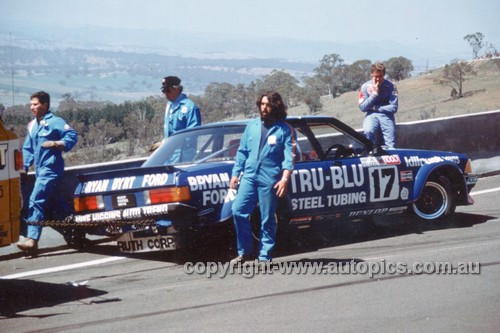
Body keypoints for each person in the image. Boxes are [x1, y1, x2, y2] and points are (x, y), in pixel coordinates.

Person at [229, 91, 295, 263]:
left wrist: (284, 179)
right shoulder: (252, 125)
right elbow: (242, 151)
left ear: (275, 106)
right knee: (238, 211)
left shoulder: (284, 130)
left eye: (268, 105)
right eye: (262, 104)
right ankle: (245, 252)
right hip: (249, 176)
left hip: (270, 178)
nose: (264, 108)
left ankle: (264, 256)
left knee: (267, 217)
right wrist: (236, 173)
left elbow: (289, 158)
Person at [16, 91, 78, 256]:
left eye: (35, 104)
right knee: (54, 204)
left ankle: (32, 239)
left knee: (35, 200)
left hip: (51, 170)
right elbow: (28, 148)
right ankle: (74, 231)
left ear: (45, 105)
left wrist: (58, 143)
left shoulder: (55, 122)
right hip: (39, 171)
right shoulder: (32, 125)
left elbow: (71, 136)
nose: (32, 107)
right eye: (31, 104)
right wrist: (24, 166)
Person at [149, 76, 201, 152]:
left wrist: (171, 144)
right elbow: (171, 132)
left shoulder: (190, 107)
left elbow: (192, 134)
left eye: (168, 90)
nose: (165, 94)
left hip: (184, 154)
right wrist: (163, 143)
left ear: (176, 89)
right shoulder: (169, 105)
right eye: (163, 90)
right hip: (169, 153)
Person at [358, 62, 398, 148]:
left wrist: (376, 107)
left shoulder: (391, 86)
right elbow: (362, 107)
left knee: (390, 141)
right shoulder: (365, 87)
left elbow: (394, 107)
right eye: (376, 76)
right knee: (368, 131)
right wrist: (374, 95)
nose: (378, 79)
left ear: (384, 75)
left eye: (380, 77)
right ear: (371, 74)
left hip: (386, 115)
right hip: (371, 115)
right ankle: (372, 151)